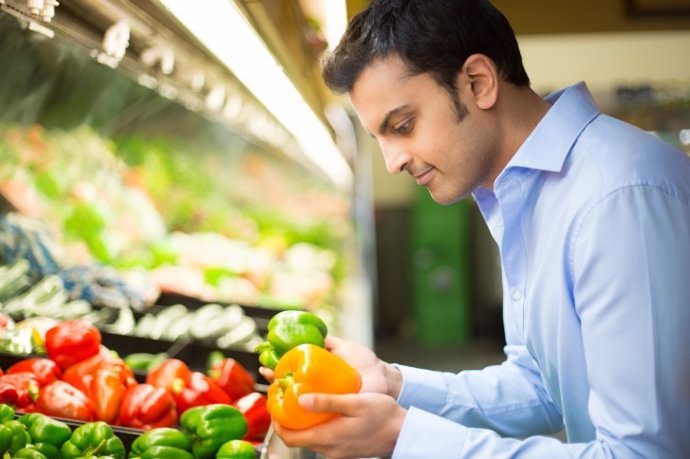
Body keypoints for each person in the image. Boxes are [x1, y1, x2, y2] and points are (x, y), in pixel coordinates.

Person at [264, 0, 690, 457]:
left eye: (403, 125)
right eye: (380, 139)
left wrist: (405, 438)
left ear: (478, 82)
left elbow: (642, 454)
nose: (393, 163)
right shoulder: (525, 191)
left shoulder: (617, 198)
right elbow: (543, 384)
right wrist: (393, 383)